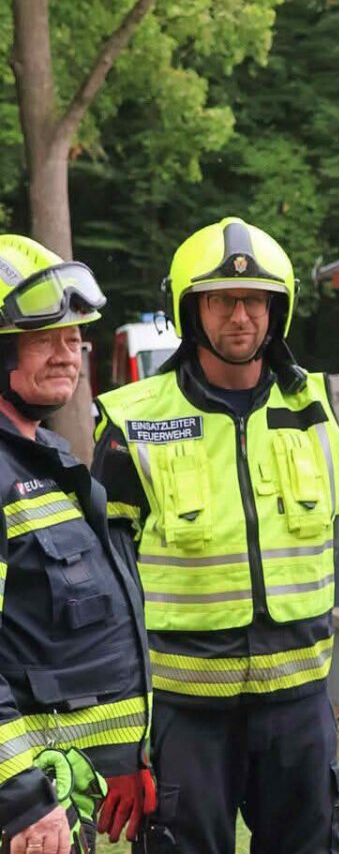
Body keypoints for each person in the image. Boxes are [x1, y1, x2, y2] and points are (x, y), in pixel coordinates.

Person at [90, 219, 339, 853]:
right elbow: (107, 592)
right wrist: (120, 736)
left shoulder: (314, 411)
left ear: (277, 309)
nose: (240, 316)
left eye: (255, 300)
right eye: (221, 300)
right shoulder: (133, 424)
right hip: (186, 712)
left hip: (299, 704)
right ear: (190, 310)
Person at [0, 236, 152, 853]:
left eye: (74, 338)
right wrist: (21, 798)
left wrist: (127, 753)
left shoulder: (46, 458)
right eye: (45, 339)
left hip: (64, 787)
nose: (69, 356)